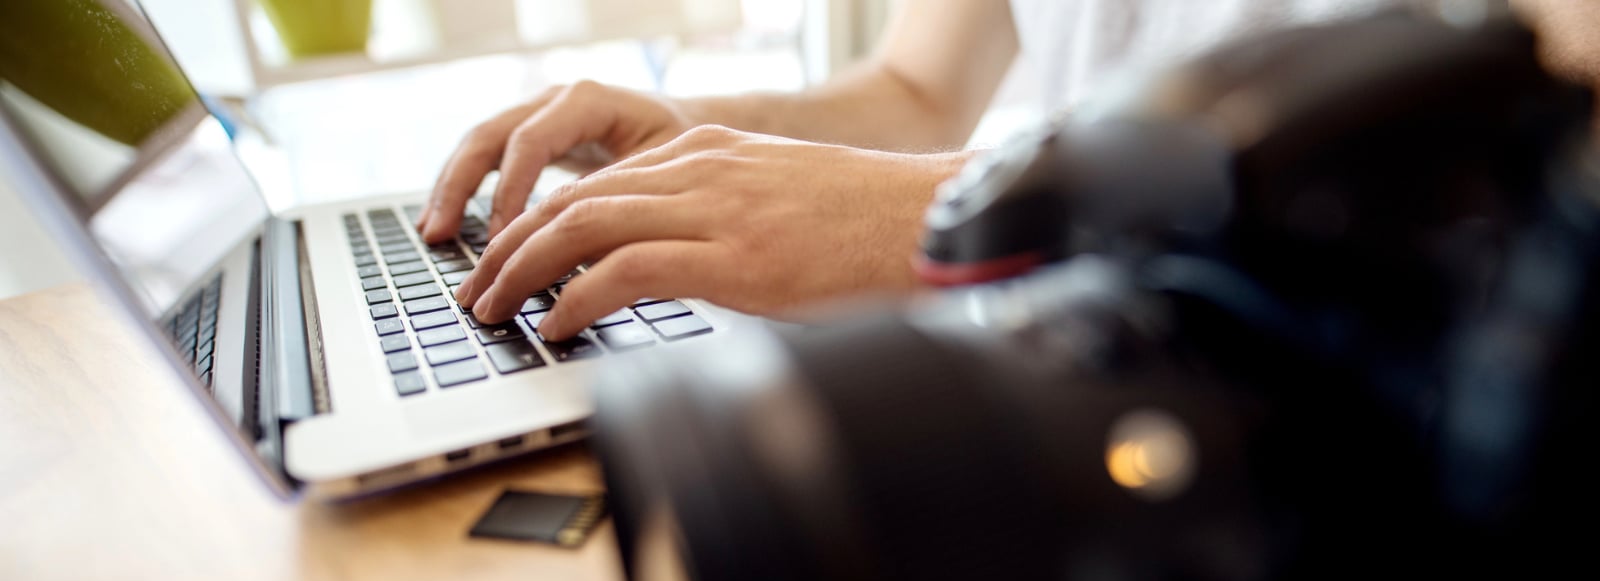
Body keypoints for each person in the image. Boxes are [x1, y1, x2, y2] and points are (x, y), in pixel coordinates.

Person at [418, 0, 1596, 340]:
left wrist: (941, 212)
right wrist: (692, 130)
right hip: (1048, 368)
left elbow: (1557, 170)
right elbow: (917, 90)